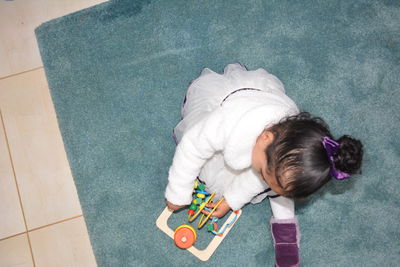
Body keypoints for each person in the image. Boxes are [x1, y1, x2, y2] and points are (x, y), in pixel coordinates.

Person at [165, 63, 363, 267]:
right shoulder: (227, 122)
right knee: (206, 160)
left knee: (279, 182)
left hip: (270, 137)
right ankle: (278, 199)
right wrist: (178, 193)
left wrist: (231, 200)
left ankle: (286, 228)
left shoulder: (279, 147)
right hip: (226, 102)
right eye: (262, 173)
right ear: (266, 138)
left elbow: (262, 181)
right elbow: (191, 147)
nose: (263, 181)